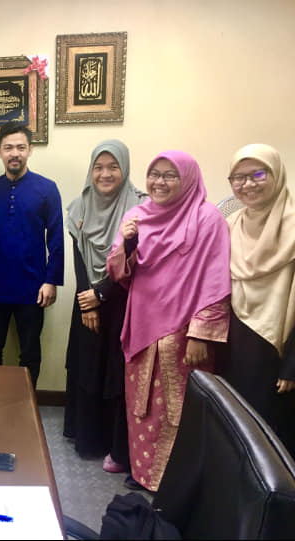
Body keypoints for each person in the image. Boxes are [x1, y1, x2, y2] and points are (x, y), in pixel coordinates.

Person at [106, 150, 231, 493]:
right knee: (141, 405)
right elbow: (118, 272)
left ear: (187, 179)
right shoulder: (137, 215)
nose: (159, 182)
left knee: (180, 409)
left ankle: (176, 481)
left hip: (184, 331)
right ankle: (144, 472)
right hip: (142, 325)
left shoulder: (207, 219)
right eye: (154, 174)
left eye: (169, 175)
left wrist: (201, 333)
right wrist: (128, 242)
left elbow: (216, 278)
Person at [64, 140, 146, 472]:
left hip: (121, 300)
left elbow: (137, 261)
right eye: (98, 167)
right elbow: (79, 259)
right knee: (87, 363)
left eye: (113, 167)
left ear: (124, 169)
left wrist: (102, 295)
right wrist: (88, 302)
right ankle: (86, 436)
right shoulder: (79, 207)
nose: (105, 174)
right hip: (87, 299)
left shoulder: (140, 208)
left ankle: (114, 443)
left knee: (115, 370)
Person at [0, 122, 63, 388]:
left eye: (21, 147)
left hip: (33, 287)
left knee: (30, 352)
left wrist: (51, 281)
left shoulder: (47, 189)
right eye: (9, 147)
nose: (15, 153)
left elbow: (56, 238)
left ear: (30, 150)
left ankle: (27, 403)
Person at [221, 143, 295, 454]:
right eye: (238, 178)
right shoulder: (229, 225)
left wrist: (292, 365)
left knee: (272, 434)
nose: (248, 184)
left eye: (258, 174)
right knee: (236, 423)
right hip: (235, 339)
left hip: (279, 346)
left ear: (276, 174)